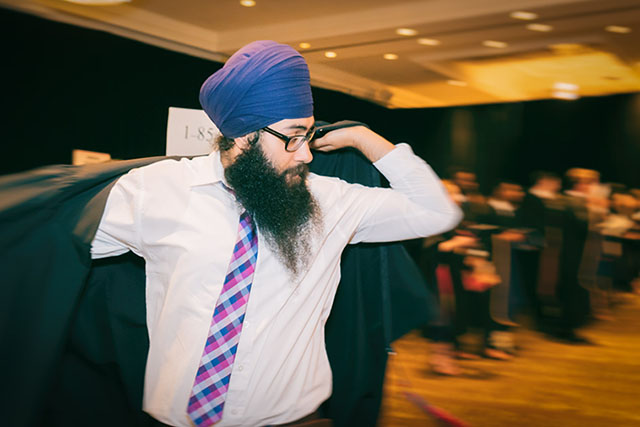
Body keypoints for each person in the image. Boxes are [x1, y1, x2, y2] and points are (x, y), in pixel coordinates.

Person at [90, 40, 462, 426]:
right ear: (243, 135)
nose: (306, 154)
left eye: (309, 134)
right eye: (292, 136)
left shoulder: (332, 202)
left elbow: (436, 212)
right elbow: (60, 252)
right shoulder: (156, 190)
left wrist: (363, 138)